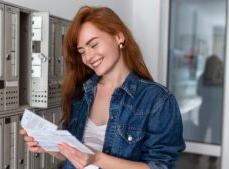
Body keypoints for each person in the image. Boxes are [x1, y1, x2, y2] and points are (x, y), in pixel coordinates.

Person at [20, 6, 185, 169]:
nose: (88, 57)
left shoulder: (158, 100)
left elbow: (160, 166)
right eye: (82, 51)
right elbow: (78, 155)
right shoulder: (81, 94)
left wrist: (97, 158)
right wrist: (51, 147)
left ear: (119, 37)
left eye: (93, 45)